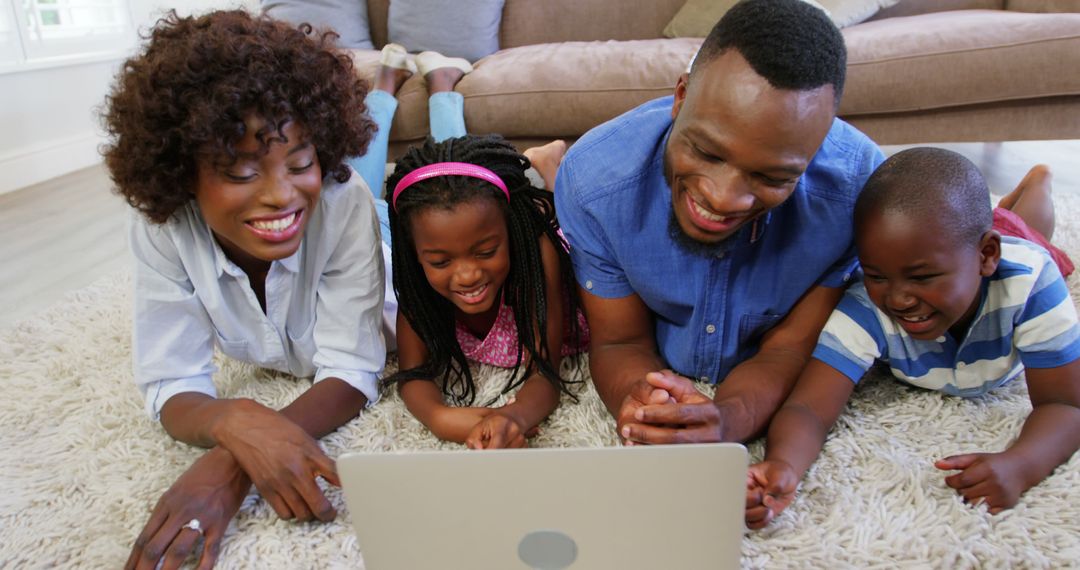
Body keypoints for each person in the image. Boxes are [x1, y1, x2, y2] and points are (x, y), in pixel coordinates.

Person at [101, 11, 388, 569]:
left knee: (435, 185)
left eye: (301, 161)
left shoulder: (337, 198)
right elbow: (170, 382)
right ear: (181, 170)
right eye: (240, 172)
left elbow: (353, 368)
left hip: (382, 236)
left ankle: (530, 161)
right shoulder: (164, 227)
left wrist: (228, 467)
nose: (281, 194)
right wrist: (233, 420)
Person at [553, 0, 884, 445]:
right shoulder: (594, 183)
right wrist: (643, 402)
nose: (723, 197)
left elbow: (787, 351)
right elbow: (619, 342)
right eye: (707, 152)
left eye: (771, 177)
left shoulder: (855, 194)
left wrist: (728, 421)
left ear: (820, 144)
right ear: (681, 96)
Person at [745, 148, 1080, 528]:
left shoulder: (1032, 284)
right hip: (957, 242)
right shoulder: (865, 306)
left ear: (987, 255)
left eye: (922, 278)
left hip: (1008, 242)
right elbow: (808, 408)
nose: (899, 299)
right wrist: (783, 463)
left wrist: (1023, 463)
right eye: (878, 275)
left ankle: (1039, 179)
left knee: (1027, 227)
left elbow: (1067, 406)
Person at [383, 134, 588, 449]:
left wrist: (515, 416)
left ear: (509, 232)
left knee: (571, 214)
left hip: (558, 249)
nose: (467, 275)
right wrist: (439, 417)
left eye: (486, 251)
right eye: (440, 261)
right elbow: (412, 373)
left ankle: (549, 170)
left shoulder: (537, 252)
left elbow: (545, 375)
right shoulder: (417, 277)